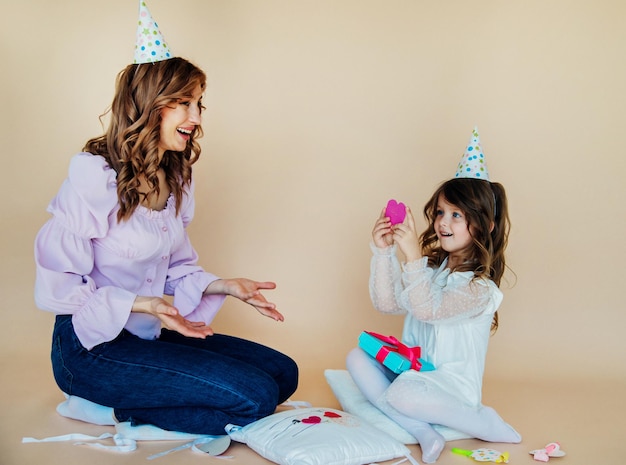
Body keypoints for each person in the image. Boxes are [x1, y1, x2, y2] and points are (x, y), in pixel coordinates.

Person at [34, 2, 298, 436]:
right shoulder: (93, 176)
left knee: (282, 373)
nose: (195, 118)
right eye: (182, 103)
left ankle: (138, 397)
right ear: (148, 103)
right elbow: (59, 288)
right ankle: (104, 409)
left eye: (198, 104)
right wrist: (142, 303)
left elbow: (174, 269)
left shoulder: (176, 178)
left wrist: (225, 286)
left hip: (146, 335)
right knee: (254, 397)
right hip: (90, 347)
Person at [346, 129, 521, 463]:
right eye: (440, 212)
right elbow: (388, 304)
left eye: (457, 215)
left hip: (450, 388)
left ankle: (481, 420)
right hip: (415, 370)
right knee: (357, 357)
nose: (443, 222)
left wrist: (411, 257)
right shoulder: (432, 270)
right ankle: (424, 432)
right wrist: (383, 254)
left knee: (404, 393)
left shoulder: (480, 290)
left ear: (486, 225)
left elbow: (427, 310)